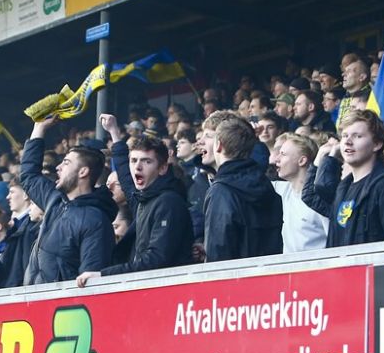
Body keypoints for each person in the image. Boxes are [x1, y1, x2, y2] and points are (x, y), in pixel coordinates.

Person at [77, 114, 193, 287]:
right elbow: (124, 172)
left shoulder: (169, 202)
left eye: (146, 161)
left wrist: (105, 275)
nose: (137, 166)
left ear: (162, 168)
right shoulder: (143, 199)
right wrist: (114, 132)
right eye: (134, 160)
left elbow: (157, 259)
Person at [20, 116, 118, 284]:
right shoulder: (55, 201)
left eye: (66, 163)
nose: (58, 167)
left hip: (62, 307)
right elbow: (29, 176)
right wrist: (39, 129)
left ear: (83, 172)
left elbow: (91, 280)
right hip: (35, 303)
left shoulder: (95, 220)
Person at [303, 110, 384, 247]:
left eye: (357, 136)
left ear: (377, 144)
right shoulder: (344, 187)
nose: (348, 142)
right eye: (344, 136)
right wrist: (331, 157)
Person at [200, 111, 283, 262]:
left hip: (233, 281)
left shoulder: (221, 190)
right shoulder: (267, 186)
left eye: (208, 137)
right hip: (267, 278)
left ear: (219, 145)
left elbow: (218, 253)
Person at [273, 133, 329, 253]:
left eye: (283, 154)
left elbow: (335, 242)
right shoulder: (283, 190)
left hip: (318, 269)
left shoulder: (320, 199)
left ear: (302, 160)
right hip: (290, 270)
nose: (276, 159)